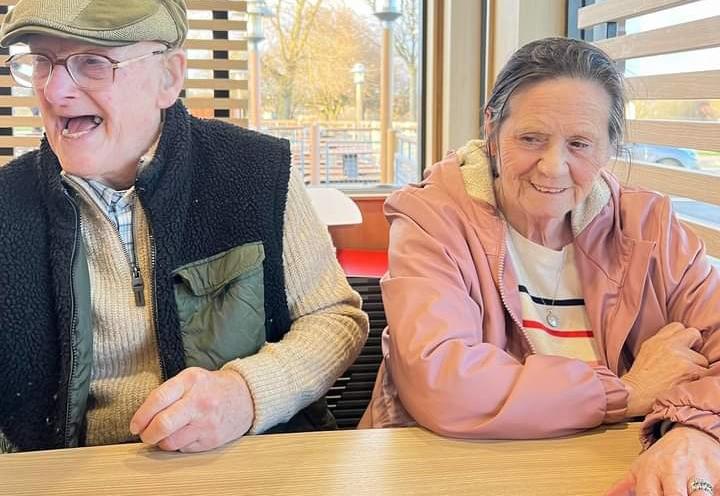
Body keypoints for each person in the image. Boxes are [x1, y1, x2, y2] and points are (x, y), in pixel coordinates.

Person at [0, 0, 368, 453]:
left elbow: (335, 319)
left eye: (92, 63)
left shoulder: (257, 172)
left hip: (248, 465)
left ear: (169, 78)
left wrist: (247, 394)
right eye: (41, 62)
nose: (54, 92)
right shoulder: (7, 206)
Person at [360, 37, 720, 495]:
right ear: (492, 128)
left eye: (579, 143)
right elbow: (444, 383)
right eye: (531, 139)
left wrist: (694, 428)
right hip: (447, 473)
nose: (553, 167)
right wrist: (627, 392)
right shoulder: (431, 219)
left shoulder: (651, 227)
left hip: (605, 471)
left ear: (610, 146)